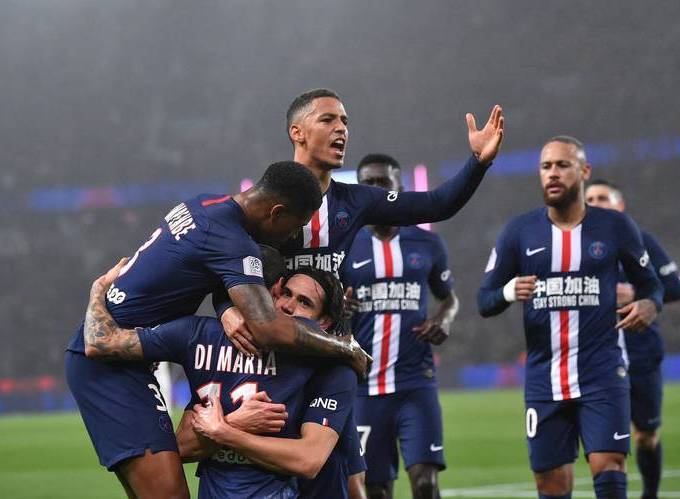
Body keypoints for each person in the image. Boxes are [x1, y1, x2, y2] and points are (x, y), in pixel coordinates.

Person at [216, 88, 505, 496]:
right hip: (275, 367)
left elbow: (436, 204)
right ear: (297, 132)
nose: (342, 130)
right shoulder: (267, 198)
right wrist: (226, 308)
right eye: (328, 120)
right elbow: (219, 264)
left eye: (345, 122)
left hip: (331, 359)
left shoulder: (354, 200)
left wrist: (478, 162)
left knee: (355, 485)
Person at [65, 161, 370, 499]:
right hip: (110, 361)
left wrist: (225, 309)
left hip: (123, 355)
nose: (291, 237)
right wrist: (346, 347)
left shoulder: (206, 206)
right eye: (295, 225)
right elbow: (268, 328)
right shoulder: (233, 246)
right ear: (276, 212)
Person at [477, 136, 664, 499]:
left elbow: (652, 286)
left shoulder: (616, 227)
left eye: (563, 165)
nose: (553, 173)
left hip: (603, 374)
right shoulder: (519, 231)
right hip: (544, 381)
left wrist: (649, 305)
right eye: (546, 166)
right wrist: (507, 292)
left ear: (584, 171)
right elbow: (484, 300)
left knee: (610, 468)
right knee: (551, 485)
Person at [84, 256, 358, 498]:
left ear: (323, 323)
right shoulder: (200, 336)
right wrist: (232, 424)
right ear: (273, 291)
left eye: (304, 302)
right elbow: (179, 450)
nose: (287, 305)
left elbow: (308, 460)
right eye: (286, 293)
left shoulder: (330, 369)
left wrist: (224, 431)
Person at [337, 153, 459, 499]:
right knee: (375, 489)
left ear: (399, 188)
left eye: (383, 183)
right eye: (368, 184)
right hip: (364, 386)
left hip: (415, 383)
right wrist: (337, 304)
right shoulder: (345, 245)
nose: (376, 190)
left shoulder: (427, 242)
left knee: (426, 483)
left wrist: (444, 319)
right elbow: (322, 305)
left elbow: (449, 298)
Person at [585, 179, 680, 499]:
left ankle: (650, 495)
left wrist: (638, 294)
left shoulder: (642, 241)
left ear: (620, 205)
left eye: (603, 197)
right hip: (597, 355)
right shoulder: (573, 247)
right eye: (590, 198)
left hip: (641, 351)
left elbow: (676, 287)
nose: (595, 203)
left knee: (646, 435)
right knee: (607, 444)